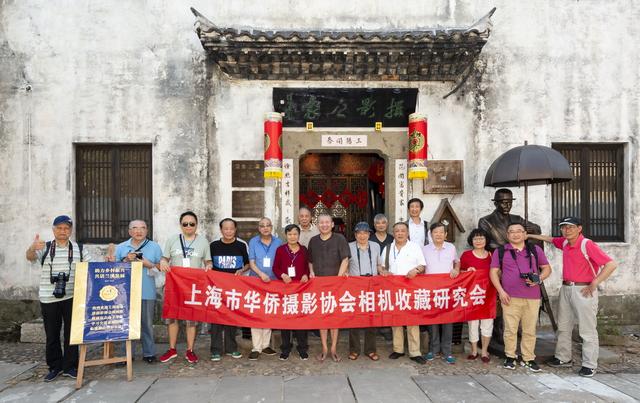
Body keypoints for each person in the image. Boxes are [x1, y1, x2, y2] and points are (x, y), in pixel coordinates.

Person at [528, 216, 617, 377]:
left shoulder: (586, 244)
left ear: (579, 228)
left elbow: (611, 264)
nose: (567, 230)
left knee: (587, 329)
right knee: (563, 326)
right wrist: (529, 235)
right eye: (564, 227)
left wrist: (595, 282)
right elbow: (550, 239)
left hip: (584, 290)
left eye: (571, 227)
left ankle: (589, 365)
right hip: (566, 288)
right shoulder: (565, 243)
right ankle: (563, 358)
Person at [25, 215, 92, 381]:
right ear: (54, 230)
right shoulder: (45, 247)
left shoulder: (79, 249)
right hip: (49, 298)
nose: (63, 231)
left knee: (72, 333)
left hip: (73, 296)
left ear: (71, 230)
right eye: (59, 228)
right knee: (52, 334)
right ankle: (55, 366)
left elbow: (90, 268)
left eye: (66, 228)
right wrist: (32, 248)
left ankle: (70, 366)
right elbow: (30, 257)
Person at [489, 222, 551, 372]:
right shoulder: (501, 251)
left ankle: (528, 358)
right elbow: (493, 272)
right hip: (510, 296)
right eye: (512, 231)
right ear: (507, 235)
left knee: (529, 329)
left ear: (524, 234)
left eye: (519, 231)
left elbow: (547, 268)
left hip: (532, 296)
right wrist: (501, 291)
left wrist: (539, 278)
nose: (515, 234)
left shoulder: (534, 250)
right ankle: (510, 356)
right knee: (510, 329)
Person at [159, 211, 212, 364]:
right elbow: (165, 258)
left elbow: (207, 261)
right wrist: (163, 261)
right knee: (172, 317)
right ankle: (172, 349)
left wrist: (209, 266)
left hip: (193, 286)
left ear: (196, 225)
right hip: (175, 285)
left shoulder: (203, 242)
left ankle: (190, 350)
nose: (189, 226)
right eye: (185, 224)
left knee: (191, 319)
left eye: (192, 224)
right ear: (181, 225)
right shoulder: (172, 240)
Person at [110, 220, 162, 364]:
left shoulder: (154, 247)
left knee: (147, 324)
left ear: (147, 231)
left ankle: (149, 353)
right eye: (135, 228)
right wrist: (126, 260)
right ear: (129, 231)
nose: (139, 231)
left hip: (147, 290)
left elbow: (160, 268)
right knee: (126, 324)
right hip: (124, 293)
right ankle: (125, 355)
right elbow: (113, 269)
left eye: (142, 228)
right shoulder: (121, 247)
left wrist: (147, 264)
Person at [381, 222, 427, 365]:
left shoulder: (414, 247)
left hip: (411, 288)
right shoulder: (388, 248)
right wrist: (384, 272)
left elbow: (422, 265)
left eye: (403, 231)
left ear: (407, 233)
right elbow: (381, 267)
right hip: (393, 289)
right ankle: (398, 349)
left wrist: (416, 270)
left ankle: (415, 352)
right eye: (397, 231)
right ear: (393, 233)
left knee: (412, 319)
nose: (400, 233)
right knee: (396, 319)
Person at [307, 213, 350, 362]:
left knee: (334, 317)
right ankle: (325, 348)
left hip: (336, 285)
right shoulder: (313, 241)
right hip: (319, 285)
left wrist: (338, 279)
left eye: (327, 222)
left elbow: (345, 259)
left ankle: (334, 348)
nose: (324, 225)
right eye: (321, 222)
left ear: (332, 224)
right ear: (317, 225)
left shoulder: (340, 239)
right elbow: (310, 261)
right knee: (322, 317)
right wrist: (311, 272)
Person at [209, 218, 250, 361]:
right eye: (225, 229)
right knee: (215, 319)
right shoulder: (213, 245)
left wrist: (241, 270)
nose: (228, 231)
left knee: (231, 318)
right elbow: (208, 263)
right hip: (217, 288)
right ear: (221, 230)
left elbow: (247, 264)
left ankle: (231, 348)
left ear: (235, 229)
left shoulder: (241, 245)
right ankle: (215, 350)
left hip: (234, 288)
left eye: (231, 229)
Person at [422, 222, 460, 364]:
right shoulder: (424, 249)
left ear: (445, 234)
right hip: (430, 291)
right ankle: (433, 350)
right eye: (435, 232)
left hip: (447, 290)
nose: (438, 235)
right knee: (432, 321)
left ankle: (447, 351)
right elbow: (421, 266)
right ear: (431, 234)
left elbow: (457, 261)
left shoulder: (451, 247)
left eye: (441, 232)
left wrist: (456, 269)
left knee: (448, 321)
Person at [273, 224, 310, 361]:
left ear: (299, 235)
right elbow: (275, 268)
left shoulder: (304, 250)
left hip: (301, 290)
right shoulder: (280, 250)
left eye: (295, 234)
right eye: (290, 234)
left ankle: (302, 348)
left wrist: (306, 275)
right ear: (286, 235)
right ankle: (285, 348)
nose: (292, 237)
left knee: (301, 320)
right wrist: (282, 275)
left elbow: (307, 267)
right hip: (285, 289)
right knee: (285, 321)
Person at [347, 222, 384, 362]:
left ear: (369, 234)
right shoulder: (349, 246)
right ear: (355, 235)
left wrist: (383, 272)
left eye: (365, 233)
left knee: (371, 318)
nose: (362, 236)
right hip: (355, 285)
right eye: (359, 233)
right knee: (354, 319)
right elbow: (345, 264)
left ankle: (370, 349)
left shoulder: (375, 246)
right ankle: (354, 349)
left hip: (371, 285)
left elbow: (379, 265)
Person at [247, 217, 282, 360]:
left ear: (271, 227)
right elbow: (251, 262)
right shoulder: (253, 242)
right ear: (259, 228)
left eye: (268, 225)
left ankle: (265, 345)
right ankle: (256, 347)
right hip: (256, 281)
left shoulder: (278, 242)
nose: (265, 228)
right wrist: (261, 274)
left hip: (273, 282)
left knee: (268, 311)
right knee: (256, 312)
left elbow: (280, 263)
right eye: (262, 226)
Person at [460, 228, 493, 363]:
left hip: (488, 294)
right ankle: (474, 350)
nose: (478, 241)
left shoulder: (491, 255)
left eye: (481, 238)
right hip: (472, 294)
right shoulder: (466, 255)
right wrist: (467, 271)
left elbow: (497, 272)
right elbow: (459, 272)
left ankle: (484, 351)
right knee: (472, 323)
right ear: (471, 241)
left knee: (487, 323)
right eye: (475, 238)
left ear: (486, 240)